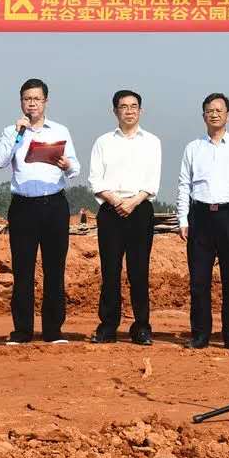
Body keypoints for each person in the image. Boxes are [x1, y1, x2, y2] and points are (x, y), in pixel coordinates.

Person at [0, 78, 80, 344]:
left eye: (37, 99)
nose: (32, 104)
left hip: (54, 204)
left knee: (54, 269)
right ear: (21, 102)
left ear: (45, 102)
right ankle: (22, 331)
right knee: (23, 270)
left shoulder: (60, 130)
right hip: (23, 206)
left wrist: (66, 165)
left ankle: (53, 330)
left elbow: (75, 168)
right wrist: (18, 134)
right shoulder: (11, 131)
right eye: (27, 99)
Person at [176, 93, 229, 349]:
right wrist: (182, 218)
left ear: (228, 115)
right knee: (199, 280)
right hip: (200, 216)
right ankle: (200, 334)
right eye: (209, 110)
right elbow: (184, 185)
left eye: (219, 110)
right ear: (203, 115)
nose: (214, 114)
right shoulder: (193, 148)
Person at [88, 90, 161, 345]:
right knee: (110, 271)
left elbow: (152, 181)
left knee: (139, 271)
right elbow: (95, 179)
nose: (129, 111)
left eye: (133, 106)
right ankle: (108, 326)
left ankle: (141, 327)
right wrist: (117, 201)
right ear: (115, 111)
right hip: (111, 211)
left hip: (140, 210)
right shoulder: (103, 142)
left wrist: (133, 201)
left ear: (141, 110)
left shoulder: (152, 142)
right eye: (123, 106)